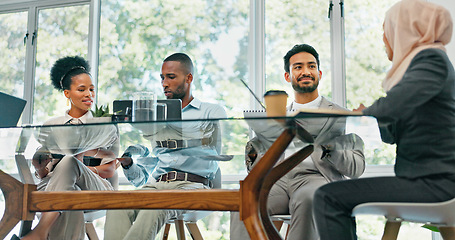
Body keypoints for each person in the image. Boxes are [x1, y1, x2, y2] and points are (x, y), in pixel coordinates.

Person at [313, 1, 455, 239]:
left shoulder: (431, 60)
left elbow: (393, 106)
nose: (384, 38)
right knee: (330, 196)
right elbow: (391, 134)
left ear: (407, 30)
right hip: (427, 181)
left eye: (388, 30)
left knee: (328, 197)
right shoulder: (423, 66)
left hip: (435, 184)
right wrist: (371, 113)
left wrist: (365, 112)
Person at [230, 44, 365, 240]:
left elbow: (357, 168)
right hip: (278, 179)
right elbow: (254, 160)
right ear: (288, 76)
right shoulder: (277, 114)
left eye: (311, 66)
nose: (305, 71)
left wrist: (328, 148)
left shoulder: (340, 114)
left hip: (316, 177)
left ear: (319, 73)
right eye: (298, 67)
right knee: (244, 200)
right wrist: (259, 149)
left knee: (310, 199)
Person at [104, 53, 227, 240]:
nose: (164, 83)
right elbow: (149, 168)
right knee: (117, 206)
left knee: (153, 208)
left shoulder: (211, 111)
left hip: (191, 186)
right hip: (157, 184)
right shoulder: (156, 115)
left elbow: (214, 154)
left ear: (189, 78)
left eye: (171, 77)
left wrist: (175, 132)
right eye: (162, 78)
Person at [22, 56, 119, 240]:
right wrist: (41, 168)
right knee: (70, 191)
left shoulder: (103, 124)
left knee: (68, 163)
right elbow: (45, 171)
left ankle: (40, 231)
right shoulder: (52, 125)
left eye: (91, 89)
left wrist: (76, 168)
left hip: (97, 187)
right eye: (81, 89)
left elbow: (110, 168)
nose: (89, 94)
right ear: (67, 93)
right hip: (56, 185)